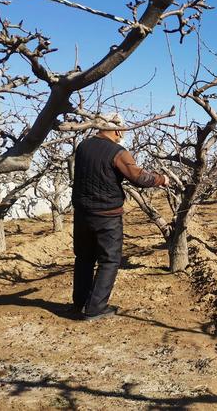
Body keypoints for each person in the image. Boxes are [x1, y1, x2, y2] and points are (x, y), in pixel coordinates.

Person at [71, 113, 169, 320]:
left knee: (84, 257)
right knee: (109, 260)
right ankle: (95, 308)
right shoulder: (118, 152)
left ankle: (79, 302)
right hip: (107, 214)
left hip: (82, 213)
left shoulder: (83, 146)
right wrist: (162, 179)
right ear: (117, 130)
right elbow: (139, 178)